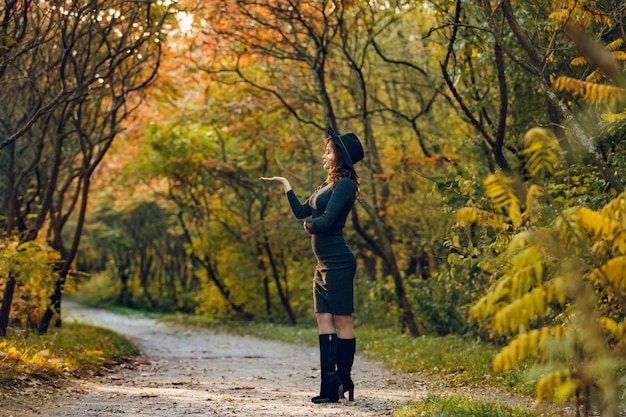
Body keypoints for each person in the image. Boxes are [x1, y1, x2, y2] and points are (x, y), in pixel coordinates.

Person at [259, 126, 364, 404]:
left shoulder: (345, 184)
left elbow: (326, 222)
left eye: (328, 151)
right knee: (323, 319)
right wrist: (285, 184)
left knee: (343, 320)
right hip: (323, 264)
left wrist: (309, 227)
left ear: (341, 156)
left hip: (339, 262)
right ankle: (329, 384)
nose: (324, 155)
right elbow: (301, 212)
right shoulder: (327, 185)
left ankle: (344, 377)